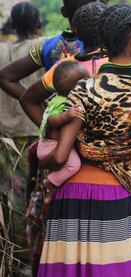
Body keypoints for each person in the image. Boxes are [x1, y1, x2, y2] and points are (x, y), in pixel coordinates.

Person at [36, 4, 131, 276]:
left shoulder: (85, 87)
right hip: (114, 194)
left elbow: (62, 153)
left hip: (70, 194)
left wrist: (41, 159)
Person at [20, 2, 108, 275]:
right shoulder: (113, 68)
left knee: (64, 254)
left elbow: (28, 98)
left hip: (66, 174)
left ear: (76, 32)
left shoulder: (65, 67)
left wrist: (53, 131)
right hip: (101, 175)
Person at [0, 2, 43, 274]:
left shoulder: (2, 50)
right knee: (37, 196)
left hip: (7, 136)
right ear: (38, 25)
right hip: (38, 133)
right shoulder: (43, 48)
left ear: (13, 25)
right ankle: (34, 252)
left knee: (10, 196)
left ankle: (13, 255)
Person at [0, 0, 104, 101]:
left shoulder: (47, 46)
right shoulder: (108, 44)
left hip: (61, 115)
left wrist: (43, 106)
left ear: (63, 12)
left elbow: (5, 76)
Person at [37, 61, 89, 203]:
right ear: (76, 89)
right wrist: (66, 115)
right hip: (51, 146)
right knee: (73, 165)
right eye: (85, 83)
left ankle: (49, 194)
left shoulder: (56, 98)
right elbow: (51, 120)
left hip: (47, 145)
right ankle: (50, 183)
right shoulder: (65, 103)